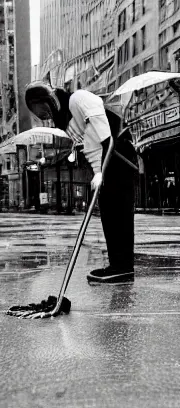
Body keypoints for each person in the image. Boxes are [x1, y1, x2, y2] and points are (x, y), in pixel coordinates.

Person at [25, 81, 136, 283]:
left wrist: (102, 171)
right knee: (109, 214)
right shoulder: (67, 122)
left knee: (119, 212)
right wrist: (97, 172)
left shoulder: (79, 99)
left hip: (119, 156)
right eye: (39, 115)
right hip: (105, 163)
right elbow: (88, 146)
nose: (44, 116)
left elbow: (107, 137)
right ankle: (117, 265)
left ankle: (124, 267)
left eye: (43, 110)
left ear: (49, 100)